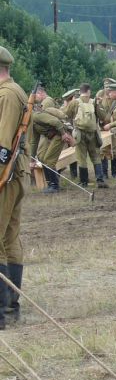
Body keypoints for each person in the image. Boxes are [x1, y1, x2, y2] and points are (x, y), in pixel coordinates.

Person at [0, 45, 28, 329]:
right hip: (14, 175)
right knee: (9, 239)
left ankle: (4, 311)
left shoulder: (7, 95)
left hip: (6, 176)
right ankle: (9, 308)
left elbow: (2, 145)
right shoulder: (12, 91)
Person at [64, 83, 107, 189]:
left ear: (80, 92)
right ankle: (100, 180)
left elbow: (66, 115)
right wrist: (100, 104)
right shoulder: (94, 102)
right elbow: (103, 117)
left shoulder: (74, 102)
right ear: (89, 91)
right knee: (96, 156)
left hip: (79, 133)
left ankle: (84, 181)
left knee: (81, 157)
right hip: (93, 133)